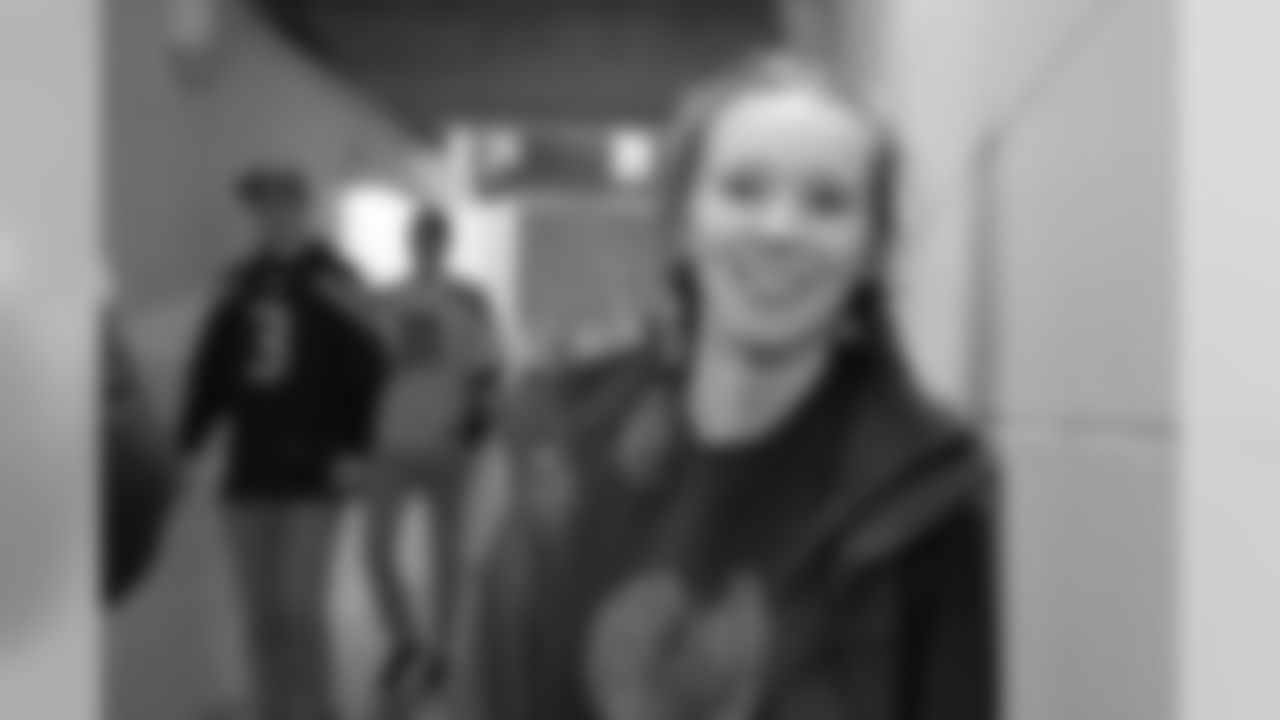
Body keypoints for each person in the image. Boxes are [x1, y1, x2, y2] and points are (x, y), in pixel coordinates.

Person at [456, 54, 998, 720]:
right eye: (743, 190)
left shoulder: (921, 496)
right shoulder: (566, 457)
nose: (780, 229)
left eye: (827, 202)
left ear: (871, 251)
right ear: (682, 223)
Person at [178, 166, 387, 720]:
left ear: (302, 208)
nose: (271, 216)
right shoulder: (236, 282)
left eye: (281, 204)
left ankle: (317, 710)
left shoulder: (337, 279)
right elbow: (211, 374)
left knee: (299, 609)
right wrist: (183, 448)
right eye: (261, 206)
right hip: (249, 472)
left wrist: (356, 450)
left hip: (315, 472)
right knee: (261, 615)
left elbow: (369, 370)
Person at [353, 207, 501, 709]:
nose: (427, 245)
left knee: (447, 555)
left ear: (447, 243)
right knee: (376, 549)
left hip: (448, 445)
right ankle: (404, 639)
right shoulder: (385, 299)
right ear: (409, 241)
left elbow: (488, 368)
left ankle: (441, 650)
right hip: (390, 440)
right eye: (420, 237)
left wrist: (474, 425)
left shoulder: (470, 299)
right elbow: (355, 362)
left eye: (435, 237)